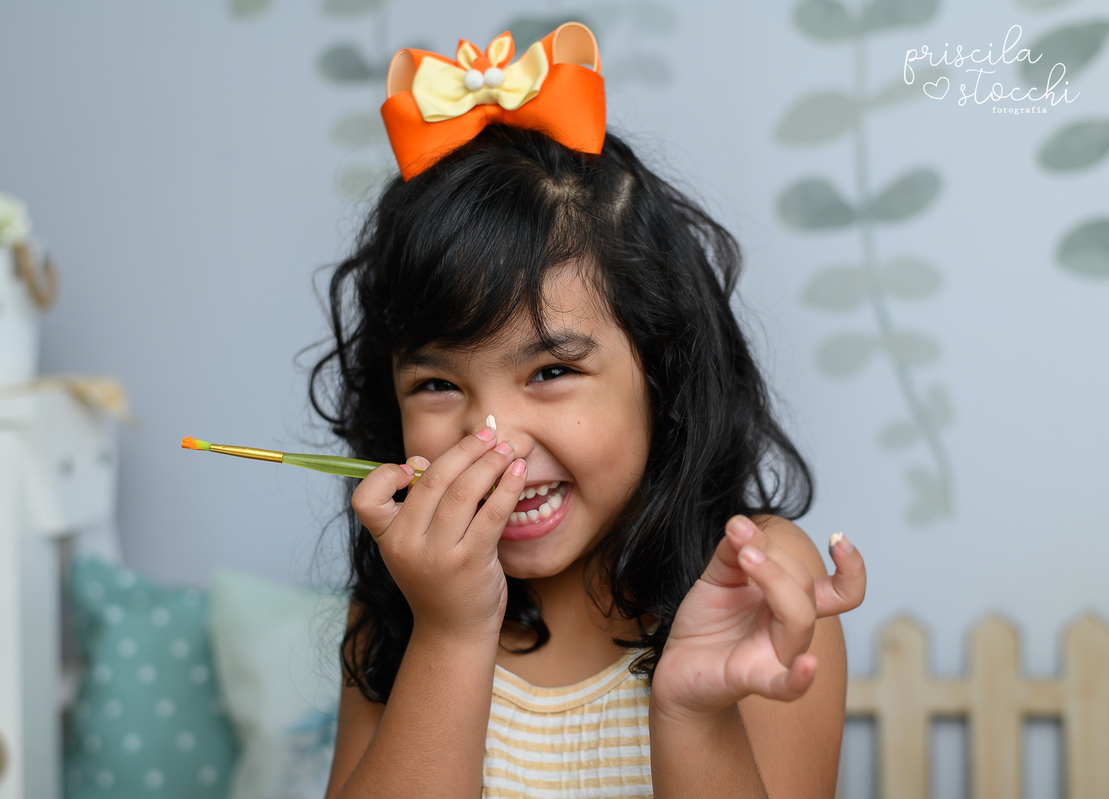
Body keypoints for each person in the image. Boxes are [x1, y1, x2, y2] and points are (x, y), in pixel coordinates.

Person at [312, 21, 867, 799]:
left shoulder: (756, 581)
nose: (492, 439)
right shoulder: (399, 608)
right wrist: (449, 633)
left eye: (550, 371)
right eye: (437, 384)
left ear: (662, 369)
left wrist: (694, 716)